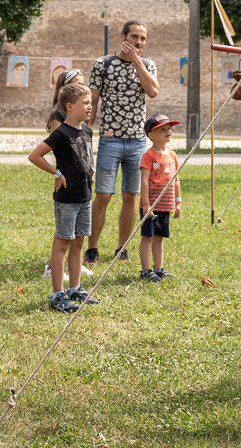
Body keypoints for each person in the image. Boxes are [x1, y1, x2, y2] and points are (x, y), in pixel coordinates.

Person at [86, 20, 159, 265]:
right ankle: (92, 248)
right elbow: (93, 101)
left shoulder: (148, 65)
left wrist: (137, 62)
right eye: (134, 37)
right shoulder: (103, 64)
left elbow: (153, 91)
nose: (138, 42)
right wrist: (85, 133)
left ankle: (122, 248)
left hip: (137, 142)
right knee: (103, 195)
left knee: (131, 196)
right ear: (123, 36)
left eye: (143, 38)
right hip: (110, 139)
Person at [29, 84, 98, 313]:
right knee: (62, 244)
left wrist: (92, 170)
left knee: (79, 242)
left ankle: (75, 288)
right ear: (69, 106)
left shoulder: (87, 131)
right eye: (85, 103)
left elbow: (87, 155)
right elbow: (35, 156)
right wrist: (56, 173)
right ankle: (58, 294)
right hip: (67, 199)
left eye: (90, 103)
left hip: (85, 196)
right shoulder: (61, 134)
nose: (90, 106)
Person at [138, 114, 181, 282]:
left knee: (159, 237)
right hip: (151, 205)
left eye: (169, 128)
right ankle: (146, 270)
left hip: (166, 205)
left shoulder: (173, 155)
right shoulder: (148, 156)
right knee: (148, 237)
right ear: (151, 135)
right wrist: (146, 204)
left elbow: (176, 180)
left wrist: (177, 202)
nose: (168, 131)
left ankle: (159, 268)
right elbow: (144, 180)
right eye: (162, 129)